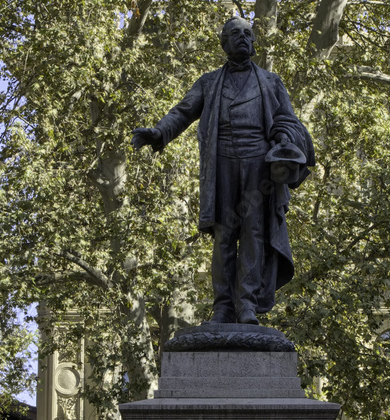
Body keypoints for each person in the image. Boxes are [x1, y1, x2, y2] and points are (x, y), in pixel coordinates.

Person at [132, 16, 314, 325]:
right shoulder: (209, 82)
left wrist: (284, 138)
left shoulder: (271, 82)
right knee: (225, 235)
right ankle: (223, 307)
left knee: (254, 232)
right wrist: (160, 132)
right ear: (224, 44)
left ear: (254, 43)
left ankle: (246, 304)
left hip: (259, 166)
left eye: (247, 34)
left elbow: (288, 120)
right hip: (223, 164)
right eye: (234, 34)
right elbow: (183, 111)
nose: (242, 38)